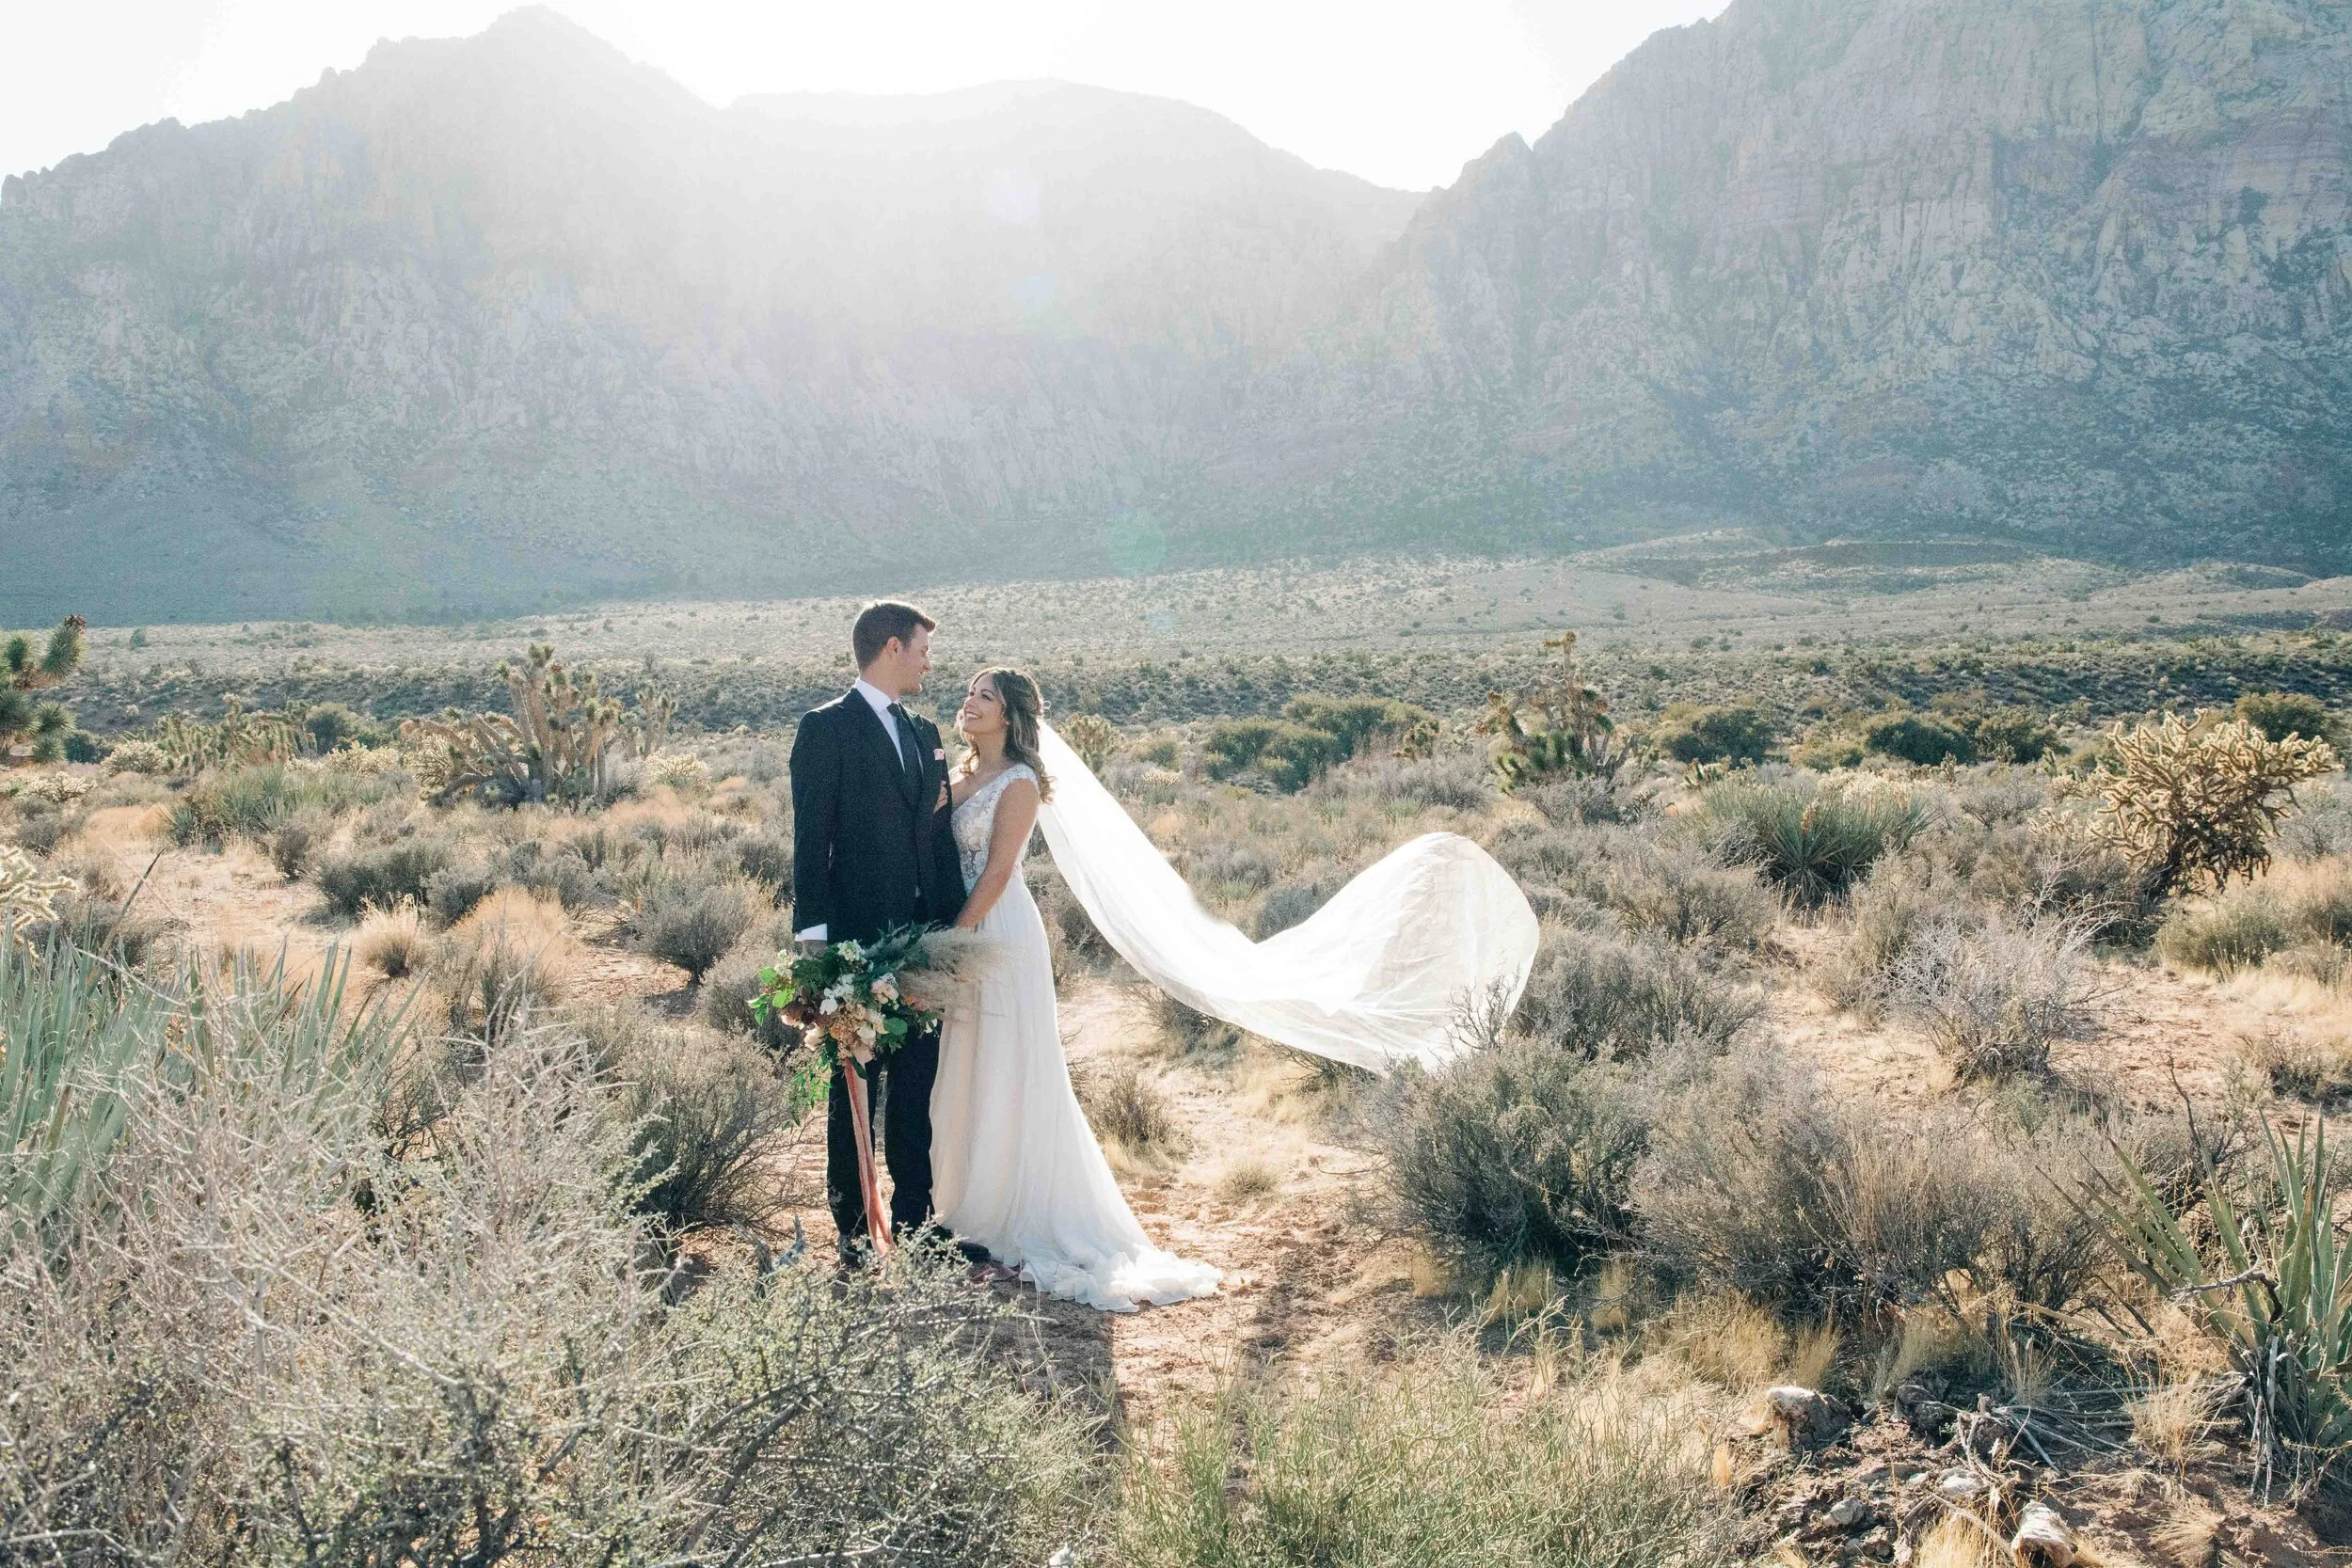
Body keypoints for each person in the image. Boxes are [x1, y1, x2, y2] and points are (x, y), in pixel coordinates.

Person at [928, 668, 1220, 1311]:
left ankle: (1010, 1206)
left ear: (1009, 716)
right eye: (970, 692)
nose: (969, 703)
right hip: (960, 924)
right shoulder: (956, 775)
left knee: (1004, 1061)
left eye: (985, 697)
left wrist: (954, 941)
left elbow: (1000, 870)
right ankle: (959, 1203)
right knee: (963, 1063)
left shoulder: (1020, 782)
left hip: (996, 930)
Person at [787, 601, 966, 1266]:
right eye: (923, 647)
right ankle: (855, 1232)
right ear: (893, 647)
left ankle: (916, 1225)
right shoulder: (825, 729)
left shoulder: (925, 732)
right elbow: (811, 849)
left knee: (917, 1084)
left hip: (924, 946)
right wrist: (814, 954)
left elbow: (939, 842)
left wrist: (952, 934)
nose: (928, 660)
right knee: (855, 1087)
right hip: (857, 946)